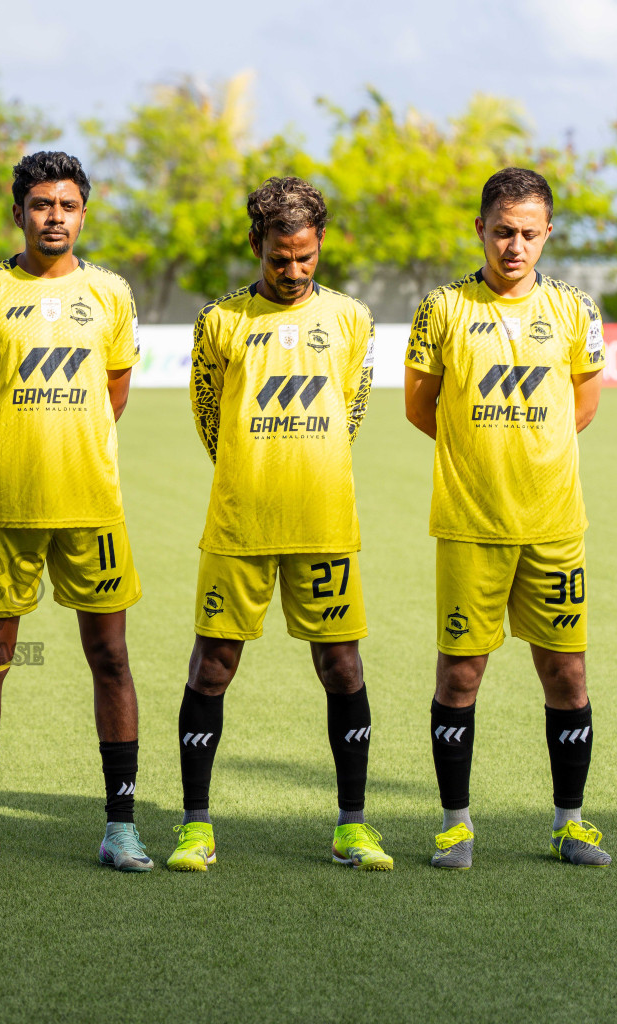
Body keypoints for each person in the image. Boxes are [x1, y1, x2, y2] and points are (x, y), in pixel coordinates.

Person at [169, 176, 390, 873]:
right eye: (278, 259)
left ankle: (352, 826)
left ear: (320, 243)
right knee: (213, 667)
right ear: (255, 246)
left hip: (323, 524)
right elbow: (210, 417)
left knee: (341, 665)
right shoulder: (220, 323)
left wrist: (306, 468)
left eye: (305, 257)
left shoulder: (352, 319)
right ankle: (196, 827)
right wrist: (252, 470)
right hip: (240, 526)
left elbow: (349, 413)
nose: (293, 272)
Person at [0, 152, 152, 873]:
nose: (54, 217)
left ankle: (121, 826)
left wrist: (70, 446)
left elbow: (114, 390)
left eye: (66, 205)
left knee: (111, 659)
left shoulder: (110, 293)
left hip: (91, 507)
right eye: (41, 205)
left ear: (83, 213)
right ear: (19, 213)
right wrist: (14, 446)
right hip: (7, 507)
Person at [404, 167, 609, 870]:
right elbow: (419, 406)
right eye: (502, 232)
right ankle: (456, 825)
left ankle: (570, 823)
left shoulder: (577, 309)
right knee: (460, 675)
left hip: (554, 526)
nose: (514, 246)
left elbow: (582, 403)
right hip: (470, 524)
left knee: (566, 673)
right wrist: (481, 453)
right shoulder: (444, 308)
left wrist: (534, 455)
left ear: (547, 234)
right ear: (480, 230)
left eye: (528, 233)